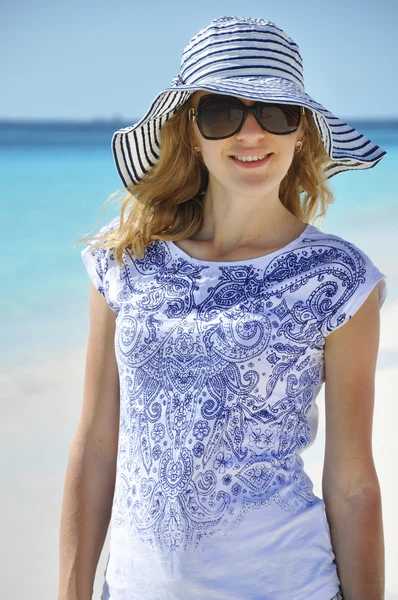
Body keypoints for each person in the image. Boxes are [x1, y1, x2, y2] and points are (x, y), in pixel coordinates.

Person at [59, 16, 387, 600]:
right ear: (190, 133)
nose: (251, 134)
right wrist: (70, 590)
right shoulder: (124, 258)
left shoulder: (340, 279)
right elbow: (95, 441)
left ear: (302, 132)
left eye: (276, 112)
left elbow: (352, 481)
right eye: (221, 113)